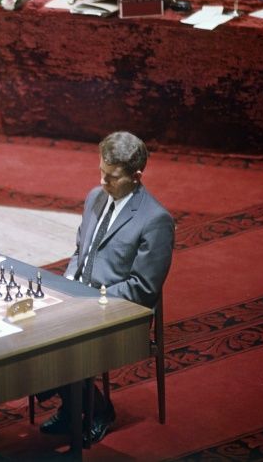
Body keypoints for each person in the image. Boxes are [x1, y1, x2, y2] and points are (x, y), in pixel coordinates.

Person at [39, 131, 175, 447]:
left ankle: (98, 410)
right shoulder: (94, 197)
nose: (103, 182)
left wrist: (90, 300)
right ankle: (73, 403)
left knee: (58, 337)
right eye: (101, 171)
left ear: (136, 176)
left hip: (123, 313)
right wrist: (68, 285)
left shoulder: (156, 220)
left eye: (112, 177)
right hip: (82, 299)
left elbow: (143, 289)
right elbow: (79, 252)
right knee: (31, 323)